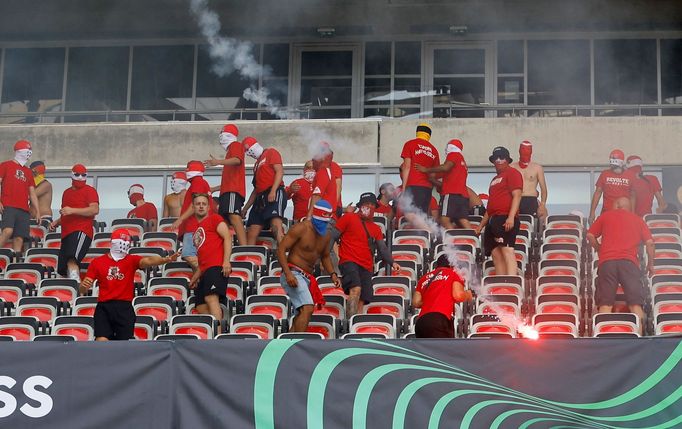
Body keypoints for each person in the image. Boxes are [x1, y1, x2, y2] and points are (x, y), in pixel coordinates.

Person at [81, 229, 181, 341]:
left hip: (124, 307)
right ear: (112, 241)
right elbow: (83, 288)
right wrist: (84, 285)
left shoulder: (131, 260)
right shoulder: (97, 262)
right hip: (104, 307)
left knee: (123, 344)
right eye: (120, 241)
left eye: (126, 242)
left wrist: (165, 259)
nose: (123, 245)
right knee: (101, 340)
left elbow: (148, 261)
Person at [587, 197, 654, 335]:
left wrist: (599, 249)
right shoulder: (638, 220)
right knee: (635, 304)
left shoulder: (605, 216)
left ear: (616, 205)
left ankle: (602, 335)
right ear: (628, 206)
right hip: (629, 263)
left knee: (606, 304)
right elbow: (650, 243)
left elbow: (590, 235)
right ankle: (639, 336)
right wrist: (651, 264)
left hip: (607, 262)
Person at [277, 200, 341, 332]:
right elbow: (281, 249)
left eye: (325, 222)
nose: (323, 225)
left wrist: (333, 274)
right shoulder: (301, 228)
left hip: (307, 276)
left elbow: (325, 256)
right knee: (308, 308)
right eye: (321, 222)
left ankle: (287, 343)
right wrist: (288, 273)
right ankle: (298, 344)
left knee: (301, 313)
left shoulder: (326, 235)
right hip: (293, 272)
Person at [334, 192, 401, 317]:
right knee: (355, 289)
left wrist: (392, 262)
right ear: (360, 206)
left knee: (363, 298)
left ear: (375, 208)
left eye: (372, 204)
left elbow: (382, 248)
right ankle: (350, 323)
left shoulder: (376, 228)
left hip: (366, 266)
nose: (369, 207)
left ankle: (355, 324)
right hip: (349, 261)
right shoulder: (348, 218)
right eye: (366, 204)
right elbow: (332, 237)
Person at [475, 147, 523, 275]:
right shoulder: (494, 180)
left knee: (507, 249)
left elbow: (517, 195)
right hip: (493, 220)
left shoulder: (513, 173)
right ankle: (501, 283)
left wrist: (511, 217)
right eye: (496, 158)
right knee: (495, 253)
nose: (499, 160)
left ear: (507, 160)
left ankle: (512, 283)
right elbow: (490, 207)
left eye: (502, 157)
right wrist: (480, 226)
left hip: (505, 217)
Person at [188, 193, 232, 330]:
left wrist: (226, 261)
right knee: (200, 305)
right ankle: (219, 324)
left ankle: (217, 334)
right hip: (205, 270)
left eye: (204, 204)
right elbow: (202, 260)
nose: (201, 206)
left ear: (208, 207)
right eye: (198, 204)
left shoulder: (215, 218)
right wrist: (194, 278)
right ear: (193, 207)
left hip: (216, 266)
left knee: (211, 299)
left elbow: (227, 238)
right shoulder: (197, 230)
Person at [50, 164, 99, 280]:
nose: (80, 177)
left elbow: (94, 209)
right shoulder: (66, 193)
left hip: (81, 230)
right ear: (72, 175)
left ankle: (76, 285)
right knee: (63, 268)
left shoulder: (90, 191)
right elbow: (67, 214)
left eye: (83, 175)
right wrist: (57, 222)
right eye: (77, 175)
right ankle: (70, 291)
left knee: (72, 259)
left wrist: (72, 210)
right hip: (66, 233)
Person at [205, 124, 248, 246]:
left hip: (233, 190)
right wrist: (216, 188)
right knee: (225, 220)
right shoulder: (230, 151)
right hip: (227, 190)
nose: (220, 138)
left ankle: (244, 247)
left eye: (222, 135)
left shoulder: (235, 145)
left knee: (233, 216)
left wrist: (217, 162)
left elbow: (237, 160)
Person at [412, 254, 473, 338]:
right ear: (452, 264)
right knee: (442, 350)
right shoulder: (453, 274)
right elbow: (458, 295)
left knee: (423, 351)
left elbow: (416, 302)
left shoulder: (424, 278)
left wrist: (433, 299)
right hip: (439, 319)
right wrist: (468, 294)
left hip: (421, 322)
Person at [416, 138, 471, 229]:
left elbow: (445, 168)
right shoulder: (462, 162)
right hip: (463, 196)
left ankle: (452, 240)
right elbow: (448, 183)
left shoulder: (453, 155)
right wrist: (432, 180)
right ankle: (473, 239)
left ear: (451, 147)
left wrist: (426, 169)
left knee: (444, 220)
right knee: (463, 220)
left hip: (451, 194)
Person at [241, 136, 287, 244]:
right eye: (246, 151)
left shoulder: (271, 152)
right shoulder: (256, 165)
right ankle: (249, 255)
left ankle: (283, 253)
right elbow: (255, 189)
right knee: (252, 230)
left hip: (273, 192)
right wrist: (245, 208)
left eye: (249, 149)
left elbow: (279, 172)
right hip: (260, 197)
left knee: (276, 225)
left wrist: (273, 190)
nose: (249, 153)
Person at [0, 140, 40, 255]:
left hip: (24, 209)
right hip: (9, 205)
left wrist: (37, 211)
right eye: (27, 151)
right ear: (19, 151)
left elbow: (32, 193)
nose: (29, 154)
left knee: (19, 238)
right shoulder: (5, 165)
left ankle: (14, 261)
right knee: (7, 231)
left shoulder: (28, 171)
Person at [171, 161, 212, 270]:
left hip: (194, 226)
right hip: (198, 226)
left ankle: (206, 273)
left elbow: (195, 203)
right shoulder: (201, 183)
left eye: (188, 168)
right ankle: (200, 280)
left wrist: (180, 219)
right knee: (194, 256)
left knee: (188, 254)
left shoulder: (197, 182)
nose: (186, 171)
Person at [400, 123, 440, 215]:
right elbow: (434, 174)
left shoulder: (410, 144)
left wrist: (404, 187)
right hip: (427, 189)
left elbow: (406, 166)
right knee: (422, 216)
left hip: (413, 185)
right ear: (429, 135)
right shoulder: (434, 150)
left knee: (411, 216)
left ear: (417, 132)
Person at [589, 149, 634, 224]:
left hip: (624, 215)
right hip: (607, 213)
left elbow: (633, 196)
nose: (612, 163)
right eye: (611, 161)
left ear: (621, 162)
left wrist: (632, 213)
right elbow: (597, 193)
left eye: (615, 161)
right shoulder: (605, 174)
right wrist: (592, 213)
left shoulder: (630, 175)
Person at [511, 140, 548, 221]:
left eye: (528, 150)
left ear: (531, 152)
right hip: (515, 200)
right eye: (523, 150)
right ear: (519, 151)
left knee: (531, 223)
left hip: (530, 200)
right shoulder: (512, 167)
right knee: (515, 224)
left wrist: (542, 205)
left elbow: (543, 189)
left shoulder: (537, 168)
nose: (525, 152)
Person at [308, 142, 338, 220]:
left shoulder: (323, 172)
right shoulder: (326, 171)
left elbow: (317, 196)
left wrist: (309, 217)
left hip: (322, 218)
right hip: (324, 217)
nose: (313, 158)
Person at [30, 160, 53, 228]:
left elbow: (31, 195)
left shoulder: (46, 184)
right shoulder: (33, 183)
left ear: (34, 170)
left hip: (44, 217)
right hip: (32, 218)